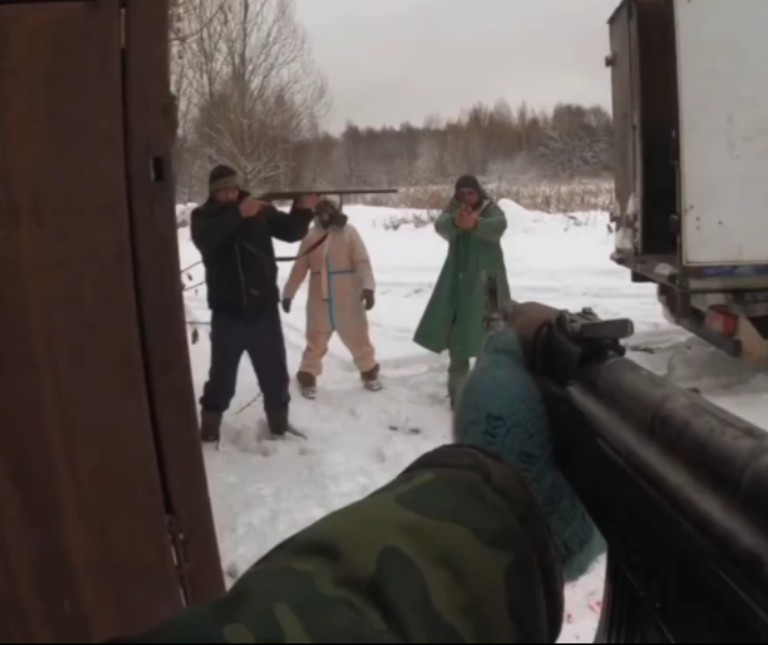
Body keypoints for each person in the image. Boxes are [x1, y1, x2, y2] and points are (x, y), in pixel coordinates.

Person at [120, 302, 606, 643]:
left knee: (356, 342)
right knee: (311, 341)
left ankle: (361, 374)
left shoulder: (349, 235)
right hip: (290, 306)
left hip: (345, 300)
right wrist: (512, 507)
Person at [191, 165, 317, 442]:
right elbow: (207, 241)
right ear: (214, 193)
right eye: (225, 190)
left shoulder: (259, 209)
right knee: (221, 381)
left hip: (264, 312)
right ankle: (209, 433)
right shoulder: (203, 217)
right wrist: (238, 214)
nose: (232, 193)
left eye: (234, 188)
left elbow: (290, 232)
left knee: (275, 376)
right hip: (228, 312)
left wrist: (303, 208)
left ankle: (279, 428)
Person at [413, 175, 511, 408]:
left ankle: (488, 392)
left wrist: (476, 224)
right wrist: (457, 222)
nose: (466, 197)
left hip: (489, 281)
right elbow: (441, 224)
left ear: (478, 193)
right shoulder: (455, 210)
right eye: (462, 193)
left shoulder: (491, 209)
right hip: (457, 281)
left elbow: (498, 227)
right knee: (458, 336)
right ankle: (458, 395)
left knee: (491, 335)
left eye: (470, 193)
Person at [282, 200, 381, 397]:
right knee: (316, 338)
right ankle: (308, 375)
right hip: (319, 298)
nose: (325, 213)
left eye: (329, 209)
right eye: (321, 210)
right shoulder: (311, 236)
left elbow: (362, 263)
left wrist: (368, 288)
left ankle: (369, 372)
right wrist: (288, 294)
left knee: (358, 336)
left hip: (348, 296)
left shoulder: (349, 233)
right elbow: (299, 268)